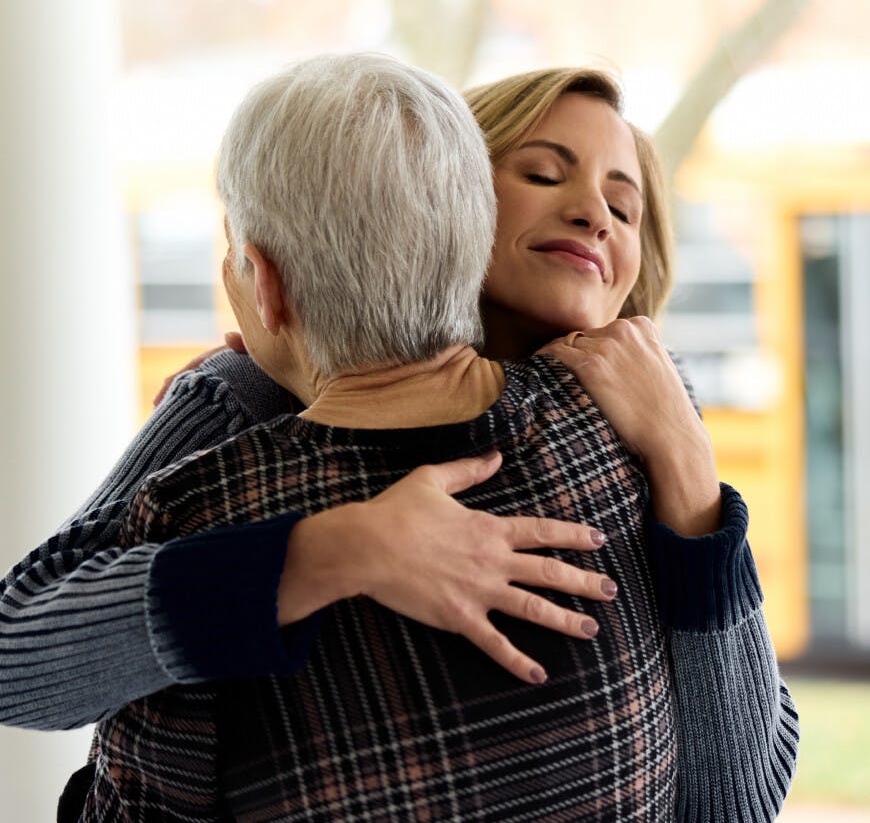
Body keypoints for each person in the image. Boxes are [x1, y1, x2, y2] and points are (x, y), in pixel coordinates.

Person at [0, 56, 797, 821]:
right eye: (543, 174)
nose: (594, 212)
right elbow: (23, 654)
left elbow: (733, 800)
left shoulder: (640, 424)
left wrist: (691, 479)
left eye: (625, 208)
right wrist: (331, 549)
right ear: (447, 201)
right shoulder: (247, 400)